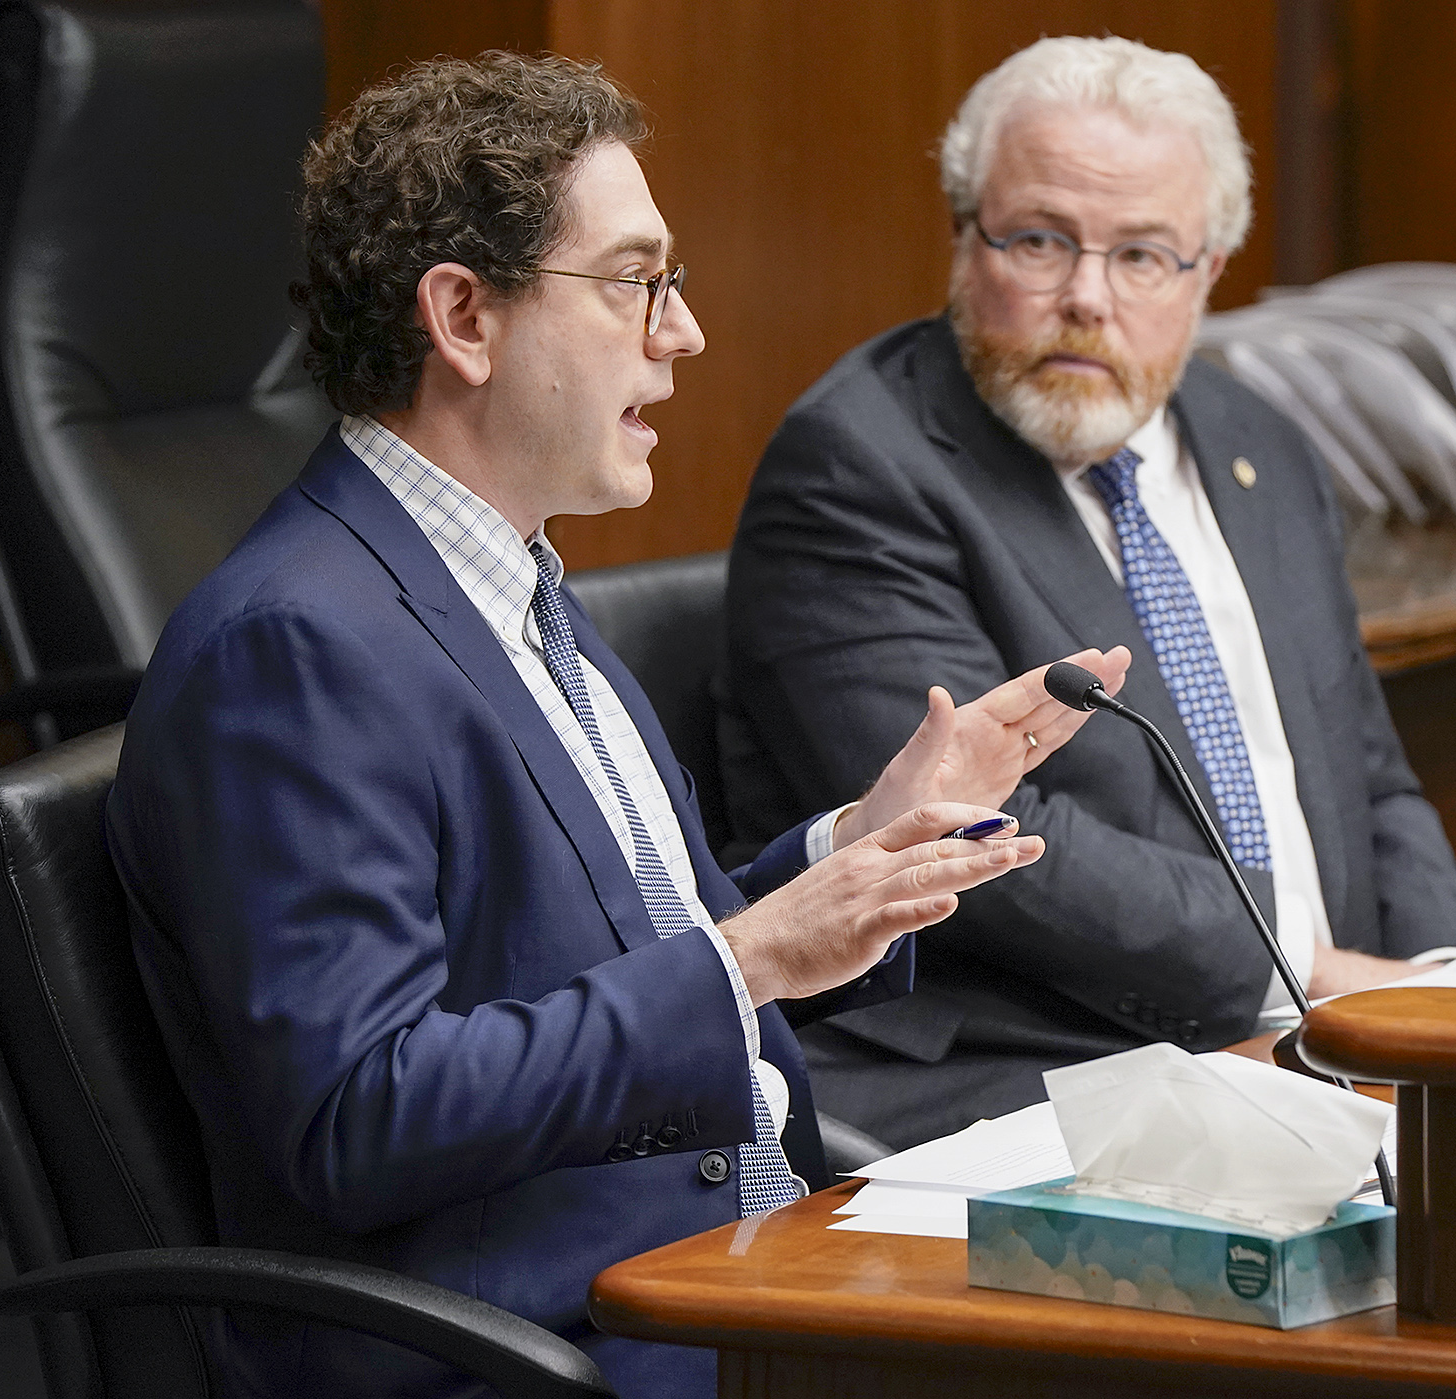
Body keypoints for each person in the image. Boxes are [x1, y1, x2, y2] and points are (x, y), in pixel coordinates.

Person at [105, 53, 1124, 1399]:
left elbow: (635, 953)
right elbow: (361, 1112)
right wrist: (754, 957)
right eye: (637, 280)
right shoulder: (293, 647)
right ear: (464, 316)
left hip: (725, 1269)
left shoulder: (510, 583)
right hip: (546, 1344)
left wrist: (859, 856)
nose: (682, 331)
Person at [720, 36, 1456, 1151]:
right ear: (962, 237)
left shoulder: (1253, 440)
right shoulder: (857, 465)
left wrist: (1449, 989)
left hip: (1314, 1037)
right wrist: (1308, 975)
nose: (1086, 297)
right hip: (1032, 1058)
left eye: (1141, 256)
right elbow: (980, 835)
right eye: (1038, 241)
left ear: (1209, 269)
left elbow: (1363, 765)